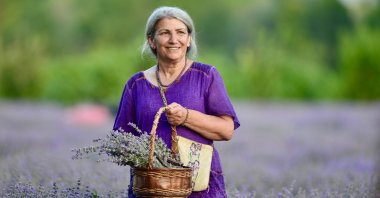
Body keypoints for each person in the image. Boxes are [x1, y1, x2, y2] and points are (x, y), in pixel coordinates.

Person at [113, 6, 240, 198]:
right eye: (165, 33)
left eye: (181, 32)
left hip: (199, 187)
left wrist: (186, 117)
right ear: (152, 41)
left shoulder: (206, 76)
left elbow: (226, 130)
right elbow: (120, 141)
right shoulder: (136, 85)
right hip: (151, 189)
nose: (174, 40)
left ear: (189, 39)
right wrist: (152, 162)